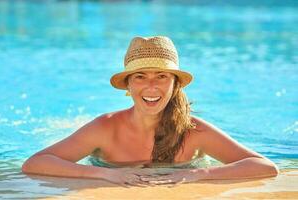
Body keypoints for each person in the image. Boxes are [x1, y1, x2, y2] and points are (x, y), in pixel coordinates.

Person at [22, 36, 279, 187]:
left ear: (175, 84)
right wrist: (105, 173)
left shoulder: (194, 131)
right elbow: (34, 163)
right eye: (140, 76)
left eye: (162, 76)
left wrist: (198, 174)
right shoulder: (104, 128)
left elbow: (265, 167)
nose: (151, 86)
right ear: (129, 85)